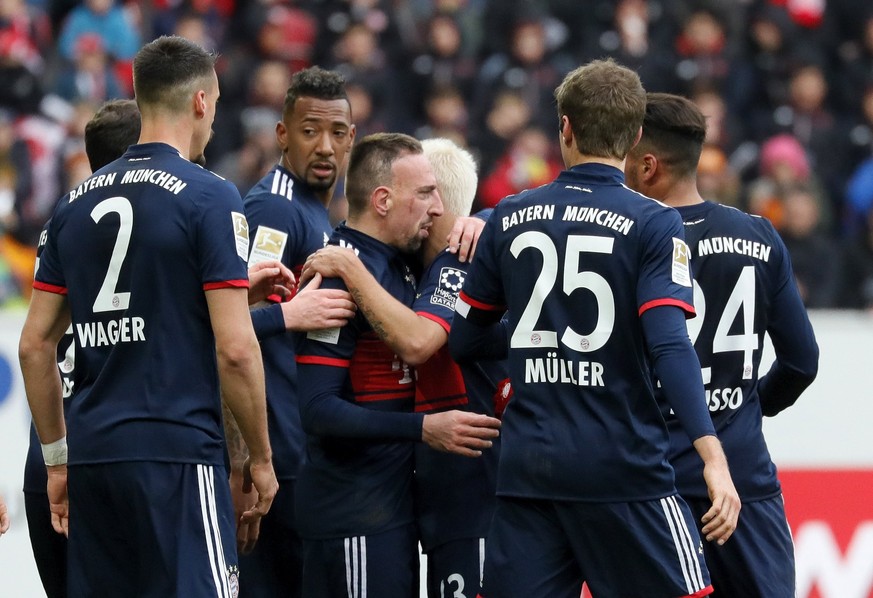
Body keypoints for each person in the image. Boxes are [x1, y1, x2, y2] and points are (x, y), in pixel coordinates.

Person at [447, 58, 741, 598]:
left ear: (565, 127)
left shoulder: (510, 214)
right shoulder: (655, 222)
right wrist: (712, 456)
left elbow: (463, 338)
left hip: (530, 471)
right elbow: (669, 343)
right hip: (624, 470)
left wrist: (531, 339)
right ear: (633, 139)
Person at [17, 35, 278, 596]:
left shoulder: (73, 203)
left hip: (94, 460)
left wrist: (58, 461)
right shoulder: (211, 196)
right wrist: (259, 456)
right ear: (202, 103)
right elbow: (235, 348)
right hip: (177, 457)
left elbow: (34, 346)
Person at [624, 91, 819, 597]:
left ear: (648, 166)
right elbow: (802, 361)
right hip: (742, 476)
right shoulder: (759, 235)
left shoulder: (627, 243)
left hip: (656, 482)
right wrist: (748, 407)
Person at [293, 132, 502, 598]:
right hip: (352, 512)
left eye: (437, 195)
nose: (435, 208)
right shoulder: (337, 275)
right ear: (384, 199)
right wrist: (422, 428)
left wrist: (484, 219)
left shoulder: (403, 262)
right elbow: (317, 409)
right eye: (425, 194)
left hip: (393, 511)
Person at [237, 65, 358, 597]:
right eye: (310, 132)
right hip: (278, 461)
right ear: (283, 135)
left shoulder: (311, 210)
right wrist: (250, 459)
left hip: (299, 455)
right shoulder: (273, 208)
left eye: (336, 133)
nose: (325, 146)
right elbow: (233, 325)